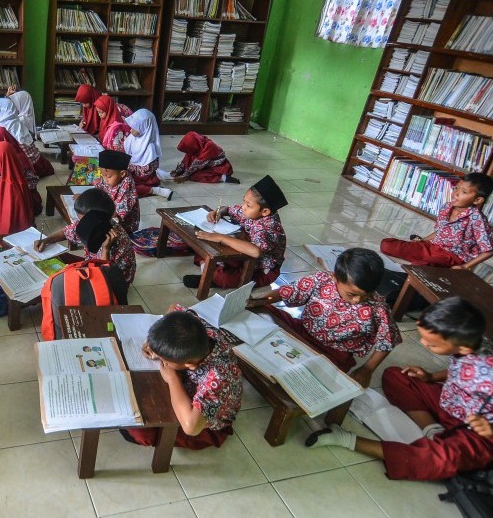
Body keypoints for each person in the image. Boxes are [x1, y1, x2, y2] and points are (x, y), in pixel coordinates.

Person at [306, 297, 493, 481]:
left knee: (444, 459)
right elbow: (460, 370)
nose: (423, 344)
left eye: (432, 344)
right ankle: (433, 431)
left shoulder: (488, 372)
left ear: (464, 347)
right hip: (451, 402)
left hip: (477, 430)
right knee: (397, 376)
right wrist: (430, 377)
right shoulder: (474, 344)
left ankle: (345, 439)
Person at [249, 248, 402, 388]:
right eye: (351, 294)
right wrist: (259, 300)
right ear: (335, 278)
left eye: (366, 295)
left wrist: (367, 369)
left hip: (333, 354)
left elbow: (388, 340)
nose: (357, 300)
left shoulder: (378, 307)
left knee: (312, 381)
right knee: (263, 311)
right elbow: (287, 292)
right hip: (300, 331)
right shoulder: (322, 280)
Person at [122, 309, 242, 449]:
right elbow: (174, 308)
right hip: (191, 387)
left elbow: (191, 428)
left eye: (163, 359)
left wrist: (173, 379)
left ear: (189, 365)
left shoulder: (217, 379)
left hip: (204, 425)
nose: (160, 359)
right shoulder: (199, 329)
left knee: (138, 430)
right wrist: (156, 342)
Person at [184, 175, 287, 289]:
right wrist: (218, 212)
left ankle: (210, 276)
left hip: (261, 270)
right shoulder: (252, 212)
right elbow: (228, 209)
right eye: (244, 201)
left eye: (248, 205)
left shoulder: (268, 228)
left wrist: (222, 238)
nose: (243, 207)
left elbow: (256, 251)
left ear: (265, 211)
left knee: (225, 277)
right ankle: (211, 270)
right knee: (205, 245)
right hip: (245, 256)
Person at [380, 173, 493, 270]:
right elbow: (440, 231)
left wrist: (465, 266)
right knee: (386, 245)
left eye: (464, 192)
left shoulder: (477, 219)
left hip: (451, 256)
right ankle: (428, 261)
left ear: (477, 200)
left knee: (419, 267)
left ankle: (428, 263)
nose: (456, 194)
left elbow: (489, 250)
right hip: (432, 246)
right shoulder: (446, 207)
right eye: (456, 188)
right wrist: (422, 241)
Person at [35, 189, 136, 285]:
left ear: (95, 218)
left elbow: (104, 277)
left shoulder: (118, 241)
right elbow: (68, 231)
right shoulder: (95, 224)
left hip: (109, 282)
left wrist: (106, 249)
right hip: (92, 265)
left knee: (62, 284)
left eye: (83, 219)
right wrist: (46, 240)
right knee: (57, 258)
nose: (80, 223)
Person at [0, 97, 54, 177]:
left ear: (2, 112)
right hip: (37, 162)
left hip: (26, 167)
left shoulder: (1, 129)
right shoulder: (14, 121)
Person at [122, 109, 172, 199]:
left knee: (125, 187)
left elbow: (145, 172)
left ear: (144, 128)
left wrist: (128, 168)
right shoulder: (132, 138)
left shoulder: (150, 148)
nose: (130, 130)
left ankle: (155, 190)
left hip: (144, 179)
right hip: (132, 172)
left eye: (134, 128)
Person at [93, 149, 140, 235]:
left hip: (124, 225)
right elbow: (101, 187)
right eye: (103, 175)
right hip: (110, 212)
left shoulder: (127, 184)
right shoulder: (111, 178)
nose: (105, 179)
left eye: (108, 176)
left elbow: (120, 211)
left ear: (122, 174)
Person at [170, 132, 238, 184]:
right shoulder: (198, 144)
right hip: (204, 164)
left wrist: (183, 176)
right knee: (188, 163)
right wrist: (178, 171)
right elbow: (186, 159)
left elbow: (195, 166)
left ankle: (222, 178)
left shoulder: (209, 147)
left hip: (218, 167)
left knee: (194, 175)